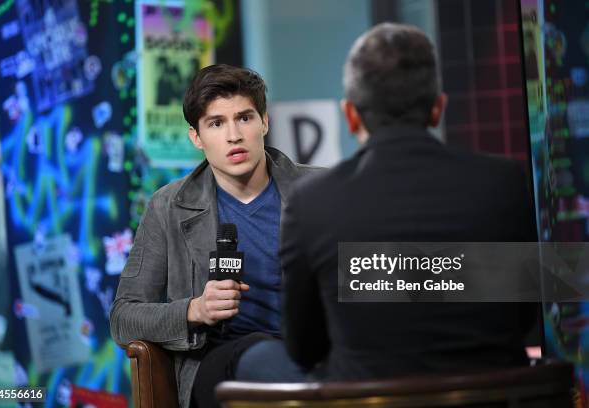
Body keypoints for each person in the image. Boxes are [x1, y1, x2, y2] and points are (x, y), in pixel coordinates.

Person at [238, 22, 538, 382]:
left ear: (350, 115)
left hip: (364, 397)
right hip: (491, 396)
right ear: (437, 109)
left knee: (255, 358)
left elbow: (305, 347)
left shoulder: (311, 202)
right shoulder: (503, 182)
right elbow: (525, 319)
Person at [110, 64, 319, 408]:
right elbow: (123, 318)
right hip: (219, 360)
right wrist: (194, 310)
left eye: (245, 118)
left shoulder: (318, 190)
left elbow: (366, 278)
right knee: (265, 355)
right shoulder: (169, 206)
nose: (234, 135)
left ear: (264, 122)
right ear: (196, 136)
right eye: (216, 123)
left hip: (311, 351)